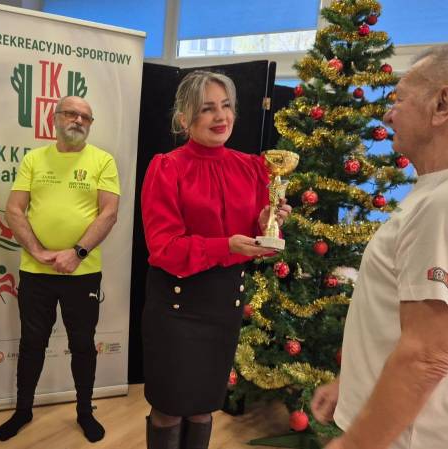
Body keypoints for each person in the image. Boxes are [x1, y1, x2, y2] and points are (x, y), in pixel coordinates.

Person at [310, 44, 448, 449]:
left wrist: (353, 445)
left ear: (442, 104)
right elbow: (409, 323)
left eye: (399, 100)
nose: (389, 116)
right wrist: (352, 383)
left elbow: (426, 357)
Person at [140, 70, 292, 449]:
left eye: (226, 106)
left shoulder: (252, 167)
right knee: (169, 409)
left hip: (224, 304)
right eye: (207, 108)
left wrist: (267, 222)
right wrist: (228, 246)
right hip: (176, 305)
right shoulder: (167, 167)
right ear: (184, 118)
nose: (221, 116)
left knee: (203, 408)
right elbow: (164, 248)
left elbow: (262, 243)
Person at [0, 95, 120, 444]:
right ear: (55, 118)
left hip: (83, 273)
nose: (78, 120)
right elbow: (14, 209)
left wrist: (77, 253)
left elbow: (109, 213)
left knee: (82, 344)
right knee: (32, 342)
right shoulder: (34, 159)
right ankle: (23, 410)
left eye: (85, 117)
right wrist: (36, 251)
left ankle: (84, 412)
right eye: (71, 114)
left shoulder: (102, 160)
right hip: (36, 273)